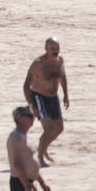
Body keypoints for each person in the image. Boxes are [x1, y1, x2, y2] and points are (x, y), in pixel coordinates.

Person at [23, 37, 69, 166]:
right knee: (48, 129)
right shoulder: (38, 64)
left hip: (53, 97)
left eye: (57, 48)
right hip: (39, 97)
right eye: (52, 49)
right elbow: (26, 86)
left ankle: (43, 149)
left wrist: (66, 94)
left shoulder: (60, 60)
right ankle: (40, 157)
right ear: (46, 49)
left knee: (59, 128)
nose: (56, 51)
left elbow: (63, 77)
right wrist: (32, 105)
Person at [8, 105, 51, 191]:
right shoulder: (15, 137)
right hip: (21, 183)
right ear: (19, 118)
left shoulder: (24, 136)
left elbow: (31, 163)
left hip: (28, 182)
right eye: (30, 116)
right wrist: (27, 187)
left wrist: (42, 183)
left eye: (33, 115)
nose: (34, 118)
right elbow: (17, 164)